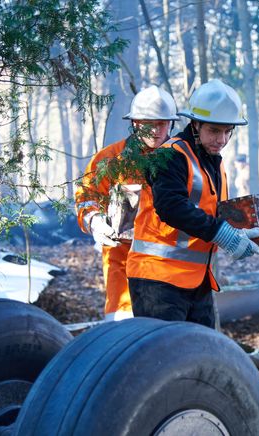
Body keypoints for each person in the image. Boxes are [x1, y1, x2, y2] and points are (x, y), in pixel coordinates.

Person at [126, 79, 259, 328]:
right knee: (164, 360)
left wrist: (258, 234)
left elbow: (211, 213)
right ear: (196, 125)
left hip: (197, 280)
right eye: (214, 130)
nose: (221, 139)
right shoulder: (170, 155)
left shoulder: (214, 162)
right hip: (157, 279)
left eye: (227, 131)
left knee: (201, 358)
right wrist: (223, 234)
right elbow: (171, 206)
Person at [75, 85, 179, 321]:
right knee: (124, 340)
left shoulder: (181, 159)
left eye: (162, 123)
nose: (155, 130)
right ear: (134, 123)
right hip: (123, 271)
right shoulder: (109, 159)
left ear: (171, 124)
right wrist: (95, 222)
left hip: (173, 274)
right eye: (147, 123)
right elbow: (86, 199)